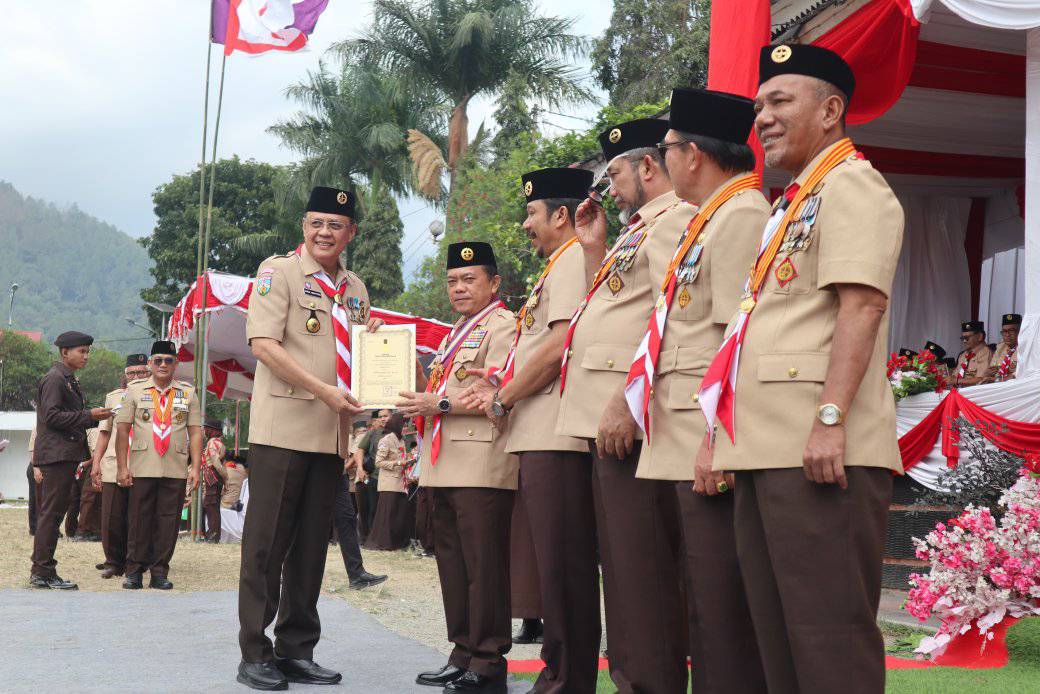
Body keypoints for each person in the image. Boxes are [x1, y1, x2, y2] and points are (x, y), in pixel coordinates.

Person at [698, 44, 904, 693]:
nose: (763, 117)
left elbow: (862, 306)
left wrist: (830, 417)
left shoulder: (855, 186)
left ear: (832, 109)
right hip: (768, 447)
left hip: (818, 447)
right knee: (779, 640)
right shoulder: (792, 204)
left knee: (827, 642)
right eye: (760, 105)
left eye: (780, 101)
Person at [629, 87, 769, 693]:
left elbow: (734, 342)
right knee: (699, 592)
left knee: (719, 604)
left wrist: (715, 443)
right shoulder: (711, 217)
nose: (662, 161)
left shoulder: (740, 215)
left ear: (694, 153)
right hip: (681, 432)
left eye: (667, 149)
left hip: (703, 439)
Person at [554, 118, 690, 693]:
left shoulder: (675, 221)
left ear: (648, 167)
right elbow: (611, 304)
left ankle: (648, 683)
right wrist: (594, 250)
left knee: (642, 573)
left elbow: (667, 318)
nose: (608, 188)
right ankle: (632, 678)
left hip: (628, 418)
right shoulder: (639, 228)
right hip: (608, 419)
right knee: (625, 571)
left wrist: (625, 400)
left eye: (614, 174)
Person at [459, 166, 599, 692]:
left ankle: (565, 679)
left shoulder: (568, 267)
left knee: (562, 570)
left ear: (561, 215)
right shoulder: (558, 266)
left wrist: (504, 395)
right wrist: (499, 376)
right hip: (541, 433)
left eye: (532, 213)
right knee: (552, 570)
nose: (525, 225)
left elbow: (560, 346)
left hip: (556, 437)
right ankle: (560, 674)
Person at [237, 185, 382, 691]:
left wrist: (375, 374)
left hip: (331, 435)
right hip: (283, 428)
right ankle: (254, 652)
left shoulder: (357, 289)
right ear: (304, 226)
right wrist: (324, 390)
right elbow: (263, 345)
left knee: (309, 552)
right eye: (316, 222)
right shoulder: (278, 273)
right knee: (266, 543)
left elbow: (360, 353)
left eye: (335, 225)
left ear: (350, 233)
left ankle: (296, 650)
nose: (325, 232)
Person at [400, 242, 517, 693]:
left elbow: (497, 390)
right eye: (452, 281)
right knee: (452, 563)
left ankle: (488, 663)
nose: (459, 288)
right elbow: (435, 388)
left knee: (483, 566)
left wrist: (440, 402)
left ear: (494, 283)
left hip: (482, 462)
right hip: (445, 462)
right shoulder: (456, 332)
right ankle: (463, 651)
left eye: (469, 279)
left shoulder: (502, 324)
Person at [114, 341, 203, 590]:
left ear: (176, 364)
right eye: (158, 360)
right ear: (150, 364)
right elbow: (122, 431)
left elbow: (195, 433)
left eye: (169, 360)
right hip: (142, 466)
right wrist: (122, 467)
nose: (163, 365)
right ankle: (133, 572)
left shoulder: (188, 393)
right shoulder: (133, 390)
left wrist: (195, 468)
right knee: (138, 520)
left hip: (174, 467)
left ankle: (159, 572)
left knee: (168, 521)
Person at [30, 331, 112, 590]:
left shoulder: (67, 379)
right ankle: (42, 571)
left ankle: (43, 569)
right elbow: (52, 417)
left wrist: (90, 416)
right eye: (82, 351)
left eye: (88, 351)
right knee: (51, 514)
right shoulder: (55, 379)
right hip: (56, 455)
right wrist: (90, 416)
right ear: (65, 352)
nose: (86, 357)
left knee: (53, 513)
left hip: (63, 454)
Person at [89, 353, 150, 579]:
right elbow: (104, 433)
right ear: (124, 375)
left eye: (141, 372)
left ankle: (138, 560)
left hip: (144, 463)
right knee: (111, 516)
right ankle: (114, 562)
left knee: (140, 516)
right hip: (115, 463)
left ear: (149, 372)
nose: (136, 376)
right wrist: (96, 463)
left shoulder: (155, 396)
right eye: (132, 372)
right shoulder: (114, 398)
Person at [332, 424, 388, 590]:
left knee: (348, 518)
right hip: (312, 459)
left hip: (335, 465)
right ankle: (284, 571)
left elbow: (356, 451)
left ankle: (356, 574)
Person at [364, 412, 414, 551]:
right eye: (404, 425)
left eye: (407, 425)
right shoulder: (386, 440)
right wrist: (398, 462)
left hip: (401, 482)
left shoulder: (402, 440)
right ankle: (382, 542)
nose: (405, 428)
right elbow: (378, 462)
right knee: (387, 515)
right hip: (389, 483)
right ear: (397, 425)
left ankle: (398, 543)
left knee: (399, 515)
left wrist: (409, 462)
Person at [356, 408, 390, 541]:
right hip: (375, 477)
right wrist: (360, 468)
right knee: (372, 509)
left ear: (391, 417)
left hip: (392, 478)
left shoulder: (398, 434)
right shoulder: (373, 433)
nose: (383, 419)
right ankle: (369, 539)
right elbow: (360, 450)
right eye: (381, 417)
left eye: (386, 416)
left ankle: (383, 538)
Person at [202, 419, 227, 542]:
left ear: (213, 430)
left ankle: (213, 536)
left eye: (207, 428)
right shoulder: (218, 443)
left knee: (211, 507)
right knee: (211, 506)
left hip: (213, 477)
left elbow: (216, 463)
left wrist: (224, 477)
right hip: (215, 477)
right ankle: (211, 534)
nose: (205, 431)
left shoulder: (212, 443)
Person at [953, 320, 993, 386]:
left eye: (967, 338)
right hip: (961, 392)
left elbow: (981, 379)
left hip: (976, 393)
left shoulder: (985, 353)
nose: (964, 341)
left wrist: (957, 381)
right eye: (963, 338)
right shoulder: (963, 355)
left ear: (980, 336)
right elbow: (954, 376)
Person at [983, 313, 1021, 383]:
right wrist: (987, 374)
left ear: (1020, 331)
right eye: (1004, 331)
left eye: (1011, 331)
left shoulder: (1025, 348)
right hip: (997, 387)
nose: (1007, 335)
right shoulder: (1000, 347)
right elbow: (991, 371)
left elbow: (1021, 373)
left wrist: (997, 380)